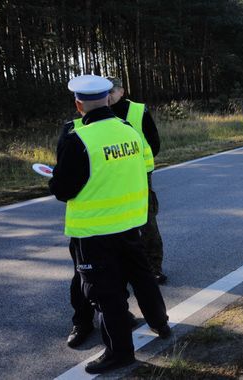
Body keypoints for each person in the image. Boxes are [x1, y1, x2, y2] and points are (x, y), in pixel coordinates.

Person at [49, 74, 170, 374]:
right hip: (129, 222)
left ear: (79, 105)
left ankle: (119, 353)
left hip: (94, 230)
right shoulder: (128, 128)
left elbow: (65, 189)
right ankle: (160, 323)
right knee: (142, 277)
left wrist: (54, 180)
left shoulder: (78, 138)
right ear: (107, 98)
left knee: (106, 293)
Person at [107, 76, 167, 285]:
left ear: (122, 91)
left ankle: (154, 268)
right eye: (105, 91)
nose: (108, 95)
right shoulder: (99, 114)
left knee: (147, 221)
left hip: (140, 174)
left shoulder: (138, 110)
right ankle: (124, 268)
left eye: (112, 91)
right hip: (112, 178)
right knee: (118, 223)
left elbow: (154, 143)